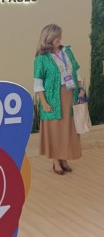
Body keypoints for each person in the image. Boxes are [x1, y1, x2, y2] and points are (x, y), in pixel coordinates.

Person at [34, 24, 85, 175]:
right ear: (48, 38)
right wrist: (44, 103)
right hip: (53, 98)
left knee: (67, 128)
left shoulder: (67, 51)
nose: (59, 39)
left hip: (70, 94)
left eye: (59, 36)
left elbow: (77, 72)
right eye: (56, 36)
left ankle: (64, 158)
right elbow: (38, 84)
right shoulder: (41, 59)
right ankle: (56, 161)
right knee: (55, 129)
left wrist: (81, 90)